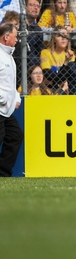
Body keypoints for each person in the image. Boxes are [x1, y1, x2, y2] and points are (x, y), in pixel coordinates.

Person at [0, 22, 21, 177]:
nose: (17, 39)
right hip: (1, 107)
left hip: (6, 109)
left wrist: (16, 97)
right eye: (15, 36)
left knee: (15, 136)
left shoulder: (8, 56)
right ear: (6, 36)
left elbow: (10, 82)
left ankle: (3, 173)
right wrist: (2, 99)